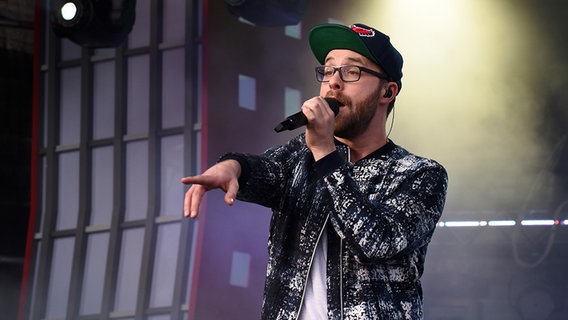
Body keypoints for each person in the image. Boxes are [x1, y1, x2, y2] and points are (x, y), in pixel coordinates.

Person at [182, 22, 448, 320]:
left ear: (388, 91)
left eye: (352, 71)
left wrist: (325, 151)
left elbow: (375, 242)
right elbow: (265, 170)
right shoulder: (301, 155)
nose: (334, 83)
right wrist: (232, 166)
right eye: (328, 70)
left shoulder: (420, 174)